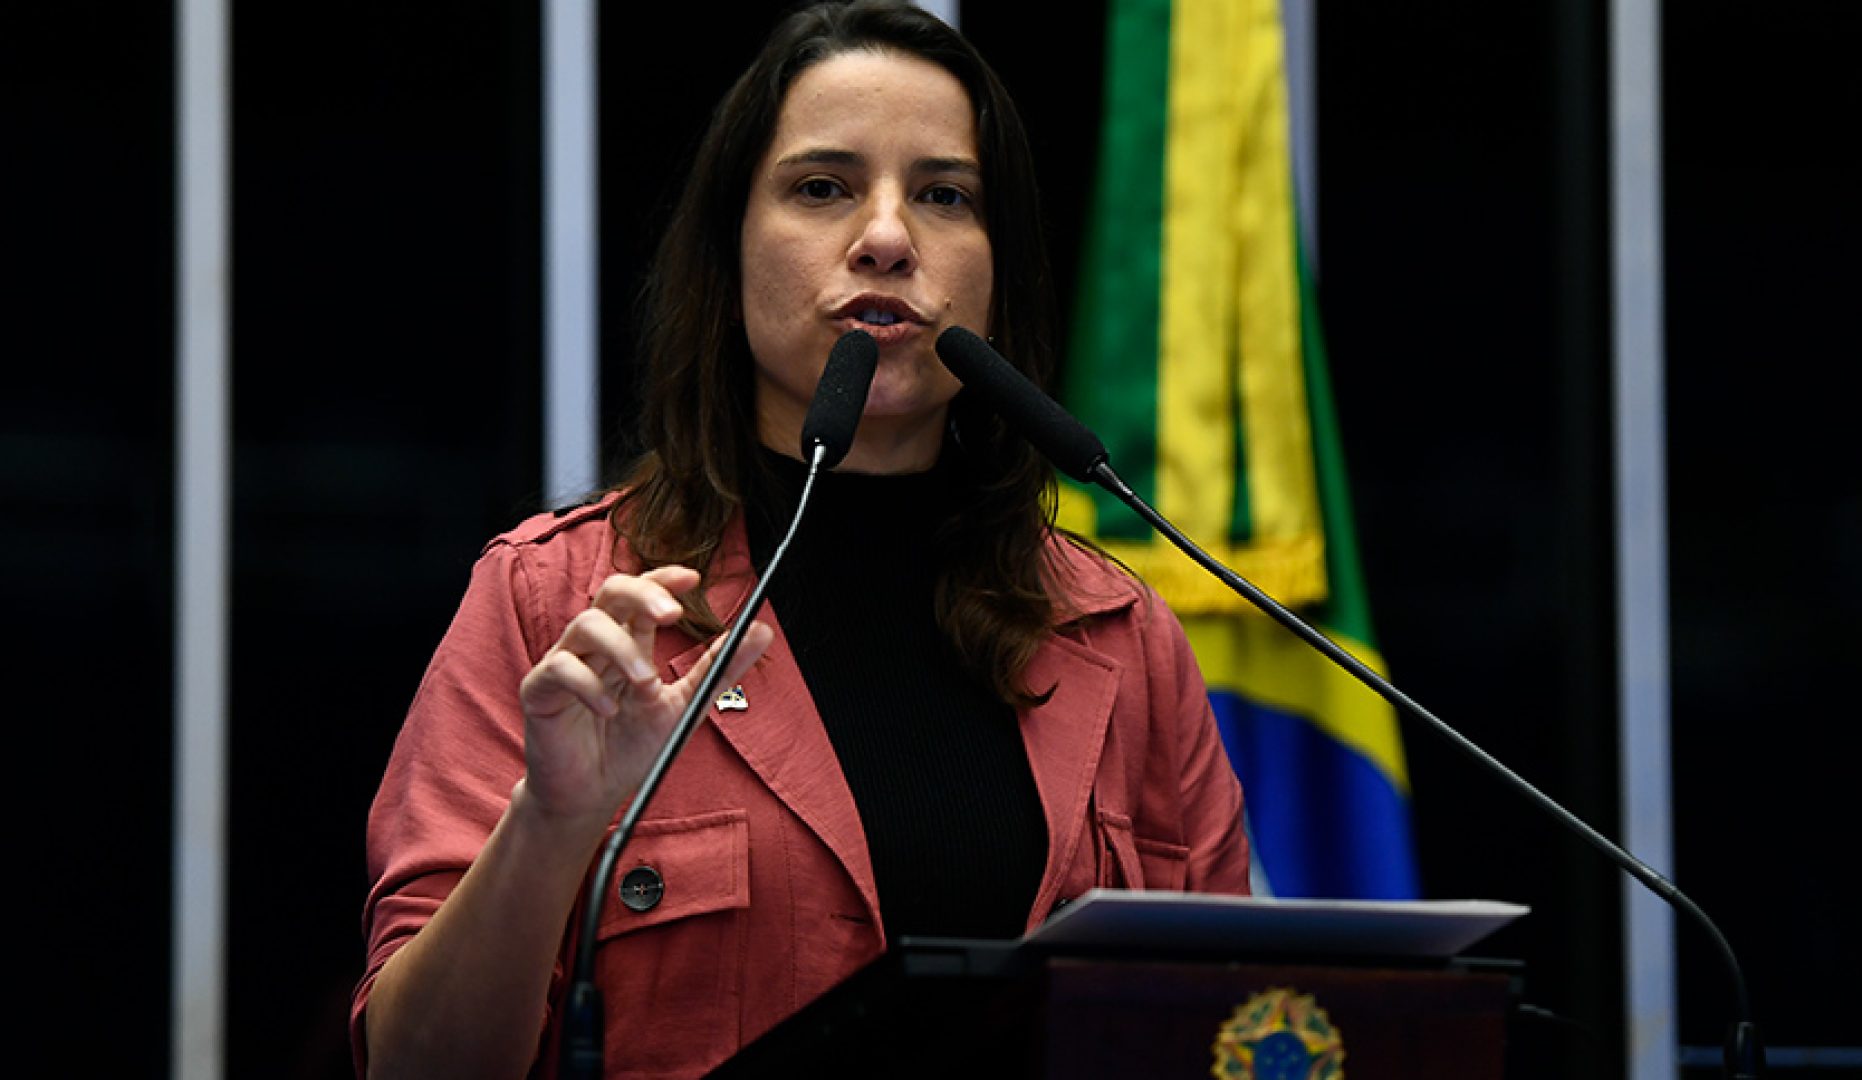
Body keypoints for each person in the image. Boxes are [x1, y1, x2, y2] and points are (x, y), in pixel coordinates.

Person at [353, 3, 1250, 1077]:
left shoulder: (1121, 634)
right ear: (730, 254)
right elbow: (416, 1065)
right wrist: (550, 824)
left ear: (997, 266)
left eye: (944, 195)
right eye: (822, 188)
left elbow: (1229, 1022)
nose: (885, 236)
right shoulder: (564, 607)